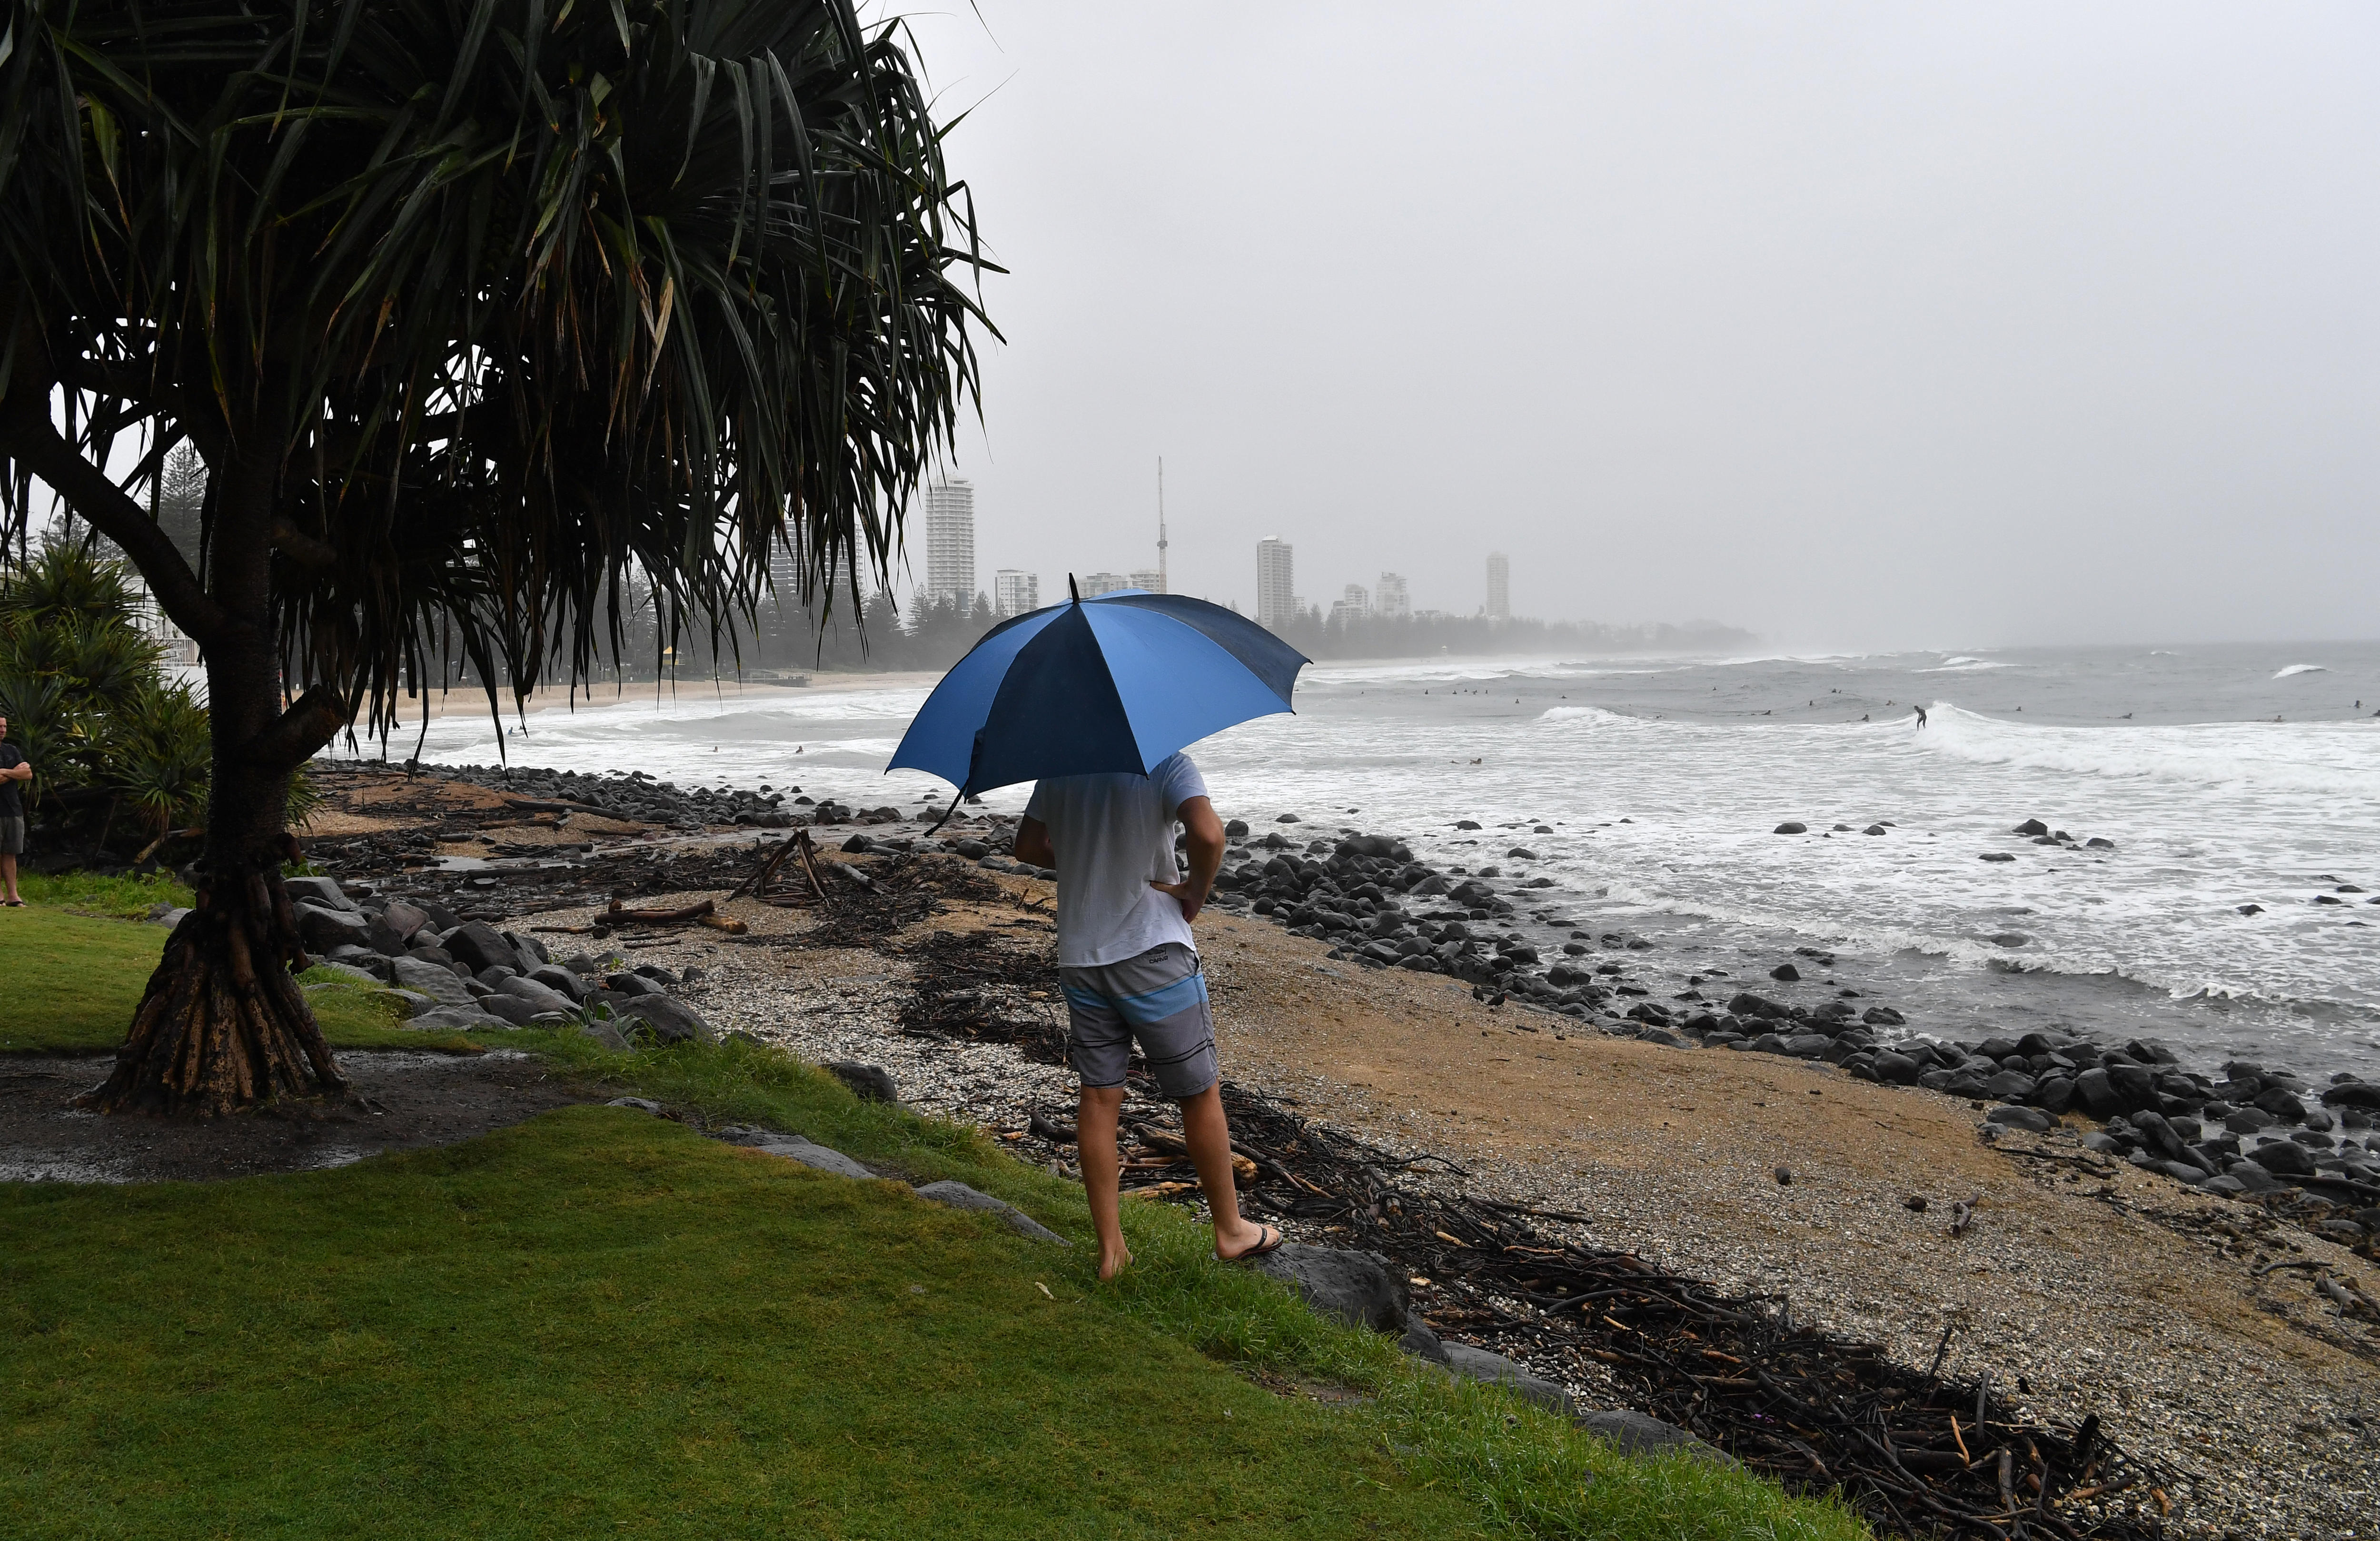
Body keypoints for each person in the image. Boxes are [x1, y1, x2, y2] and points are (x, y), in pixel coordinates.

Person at [1013, 751, 1280, 1280]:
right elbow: (1208, 835)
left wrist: (1090, 863)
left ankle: (1111, 1251)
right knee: (1198, 1091)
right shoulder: (1165, 761)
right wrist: (1194, 891)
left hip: (1082, 957)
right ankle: (1230, 1231)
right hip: (1153, 951)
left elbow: (1026, 846)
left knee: (1097, 1096)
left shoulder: (1059, 768)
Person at [0, 714, 29, 906]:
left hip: (13, 810)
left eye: (4, 726)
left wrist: (5, 773)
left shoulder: (11, 750)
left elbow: (28, 773)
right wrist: (15, 772)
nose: (2, 730)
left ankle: (13, 896)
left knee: (11, 853)